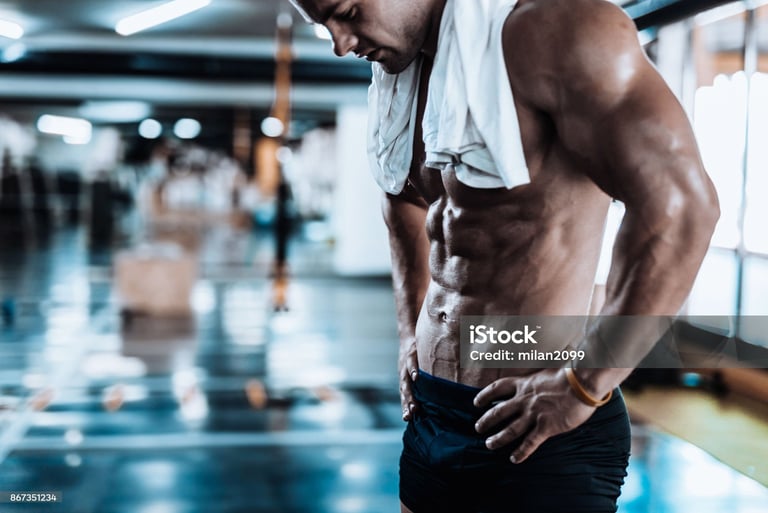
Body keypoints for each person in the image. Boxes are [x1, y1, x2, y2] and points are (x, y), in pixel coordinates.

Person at [291, 0, 719, 511]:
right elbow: (402, 195)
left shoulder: (557, 28)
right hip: (433, 411)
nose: (341, 43)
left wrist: (585, 385)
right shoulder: (404, 74)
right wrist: (411, 332)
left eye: (347, 11)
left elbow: (681, 206)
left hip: (537, 424)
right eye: (323, 27)